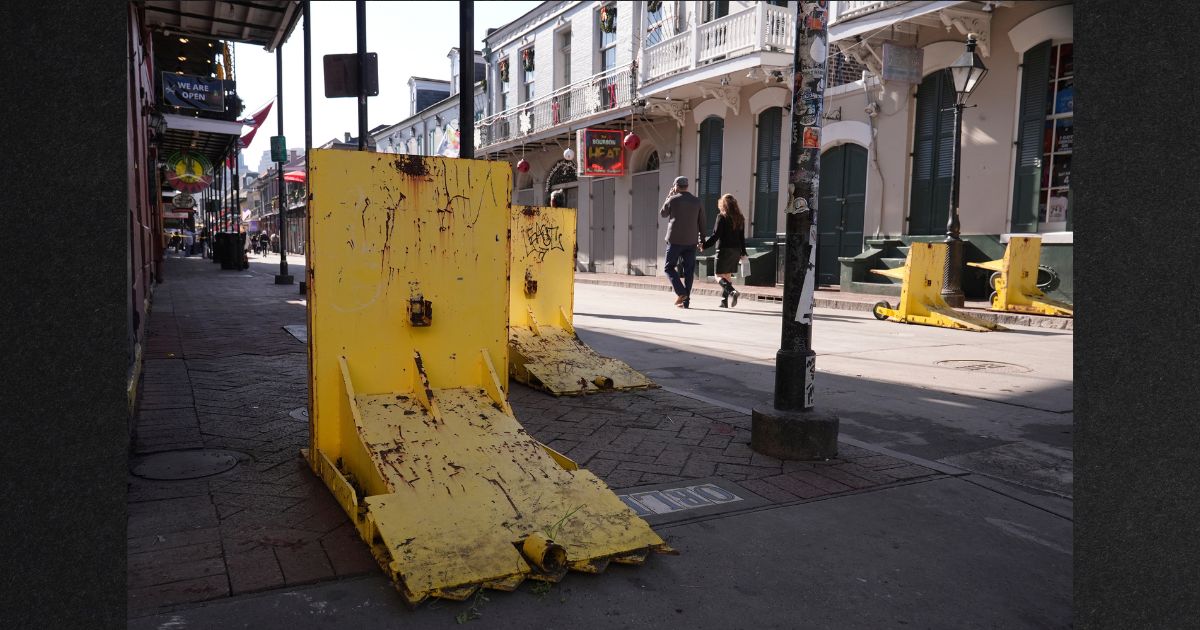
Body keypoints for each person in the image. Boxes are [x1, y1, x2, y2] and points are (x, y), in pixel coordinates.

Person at [659, 176, 706, 309]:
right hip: (691, 241)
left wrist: (668, 196)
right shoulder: (697, 201)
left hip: (674, 240)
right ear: (687, 186)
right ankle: (686, 301)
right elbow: (702, 222)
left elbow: (663, 213)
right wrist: (702, 240)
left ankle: (681, 293)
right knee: (689, 271)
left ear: (676, 186)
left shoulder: (673, 199)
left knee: (668, 268)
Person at [703, 194, 749, 308]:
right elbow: (742, 237)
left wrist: (704, 245)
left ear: (722, 205)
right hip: (736, 250)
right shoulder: (740, 218)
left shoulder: (721, 217)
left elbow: (715, 236)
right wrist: (743, 252)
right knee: (727, 276)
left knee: (718, 275)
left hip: (724, 250)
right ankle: (724, 302)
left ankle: (732, 291)